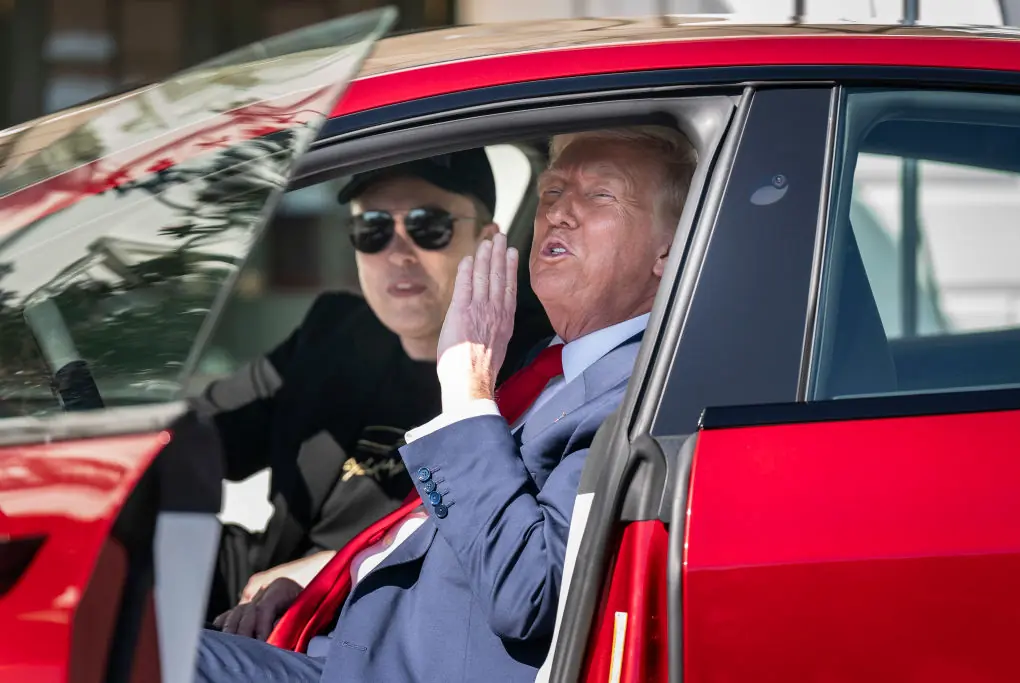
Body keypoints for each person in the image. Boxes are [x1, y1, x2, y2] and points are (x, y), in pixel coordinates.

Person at [195, 125, 698, 683]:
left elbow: (530, 596)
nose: (559, 213)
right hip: (336, 624)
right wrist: (337, 567)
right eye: (552, 194)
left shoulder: (639, 391)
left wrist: (465, 388)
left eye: (600, 194)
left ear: (669, 250)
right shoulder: (545, 363)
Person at [196, 148, 537, 620]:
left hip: (378, 613)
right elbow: (202, 435)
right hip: (263, 581)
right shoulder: (334, 329)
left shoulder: (530, 364)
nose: (397, 252)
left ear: (486, 242)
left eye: (427, 225)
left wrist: (343, 565)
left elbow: (508, 546)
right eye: (372, 229)